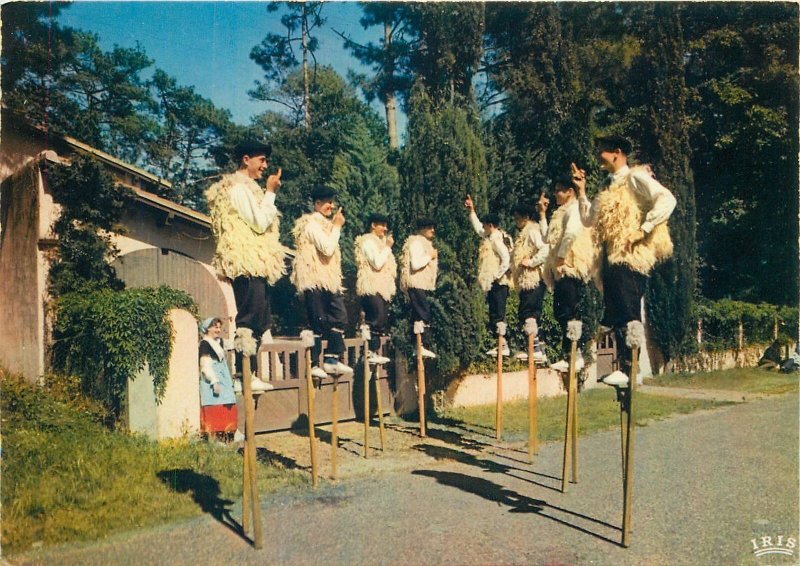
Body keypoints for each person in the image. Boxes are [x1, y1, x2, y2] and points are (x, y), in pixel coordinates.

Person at [573, 134, 676, 382]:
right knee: (616, 313)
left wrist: (644, 229)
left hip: (630, 257)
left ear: (617, 152)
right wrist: (581, 192)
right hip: (610, 260)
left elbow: (667, 199)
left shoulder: (635, 178)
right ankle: (623, 368)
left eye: (603, 150)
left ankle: (633, 369)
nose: (599, 154)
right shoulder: (607, 186)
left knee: (629, 312)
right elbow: (589, 220)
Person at [205, 140, 288, 392]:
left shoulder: (250, 189)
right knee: (249, 318)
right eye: (261, 160)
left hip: (256, 264)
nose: (265, 165)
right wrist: (271, 192)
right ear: (246, 159)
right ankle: (243, 375)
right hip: (246, 262)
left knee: (261, 319)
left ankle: (249, 372)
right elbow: (260, 222)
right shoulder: (238, 189)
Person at [291, 186, 353, 379]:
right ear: (317, 203)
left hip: (329, 280)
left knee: (339, 316)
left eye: (332, 202)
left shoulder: (327, 225)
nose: (331, 206)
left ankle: (332, 359)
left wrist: (334, 227)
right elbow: (327, 248)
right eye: (327, 202)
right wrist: (337, 227)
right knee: (317, 321)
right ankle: (312, 363)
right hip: (314, 278)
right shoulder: (310, 225)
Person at [543, 177, 596, 373]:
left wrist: (561, 256)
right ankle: (569, 353)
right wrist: (542, 215)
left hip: (570, 265)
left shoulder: (573, 209)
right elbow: (547, 238)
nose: (556, 193)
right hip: (560, 269)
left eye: (559, 190)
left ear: (570, 192)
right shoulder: (559, 213)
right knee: (561, 311)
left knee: (569, 311)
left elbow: (572, 232)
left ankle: (576, 354)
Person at [464, 195, 513, 356]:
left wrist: (497, 276)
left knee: (498, 313)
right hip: (495, 283)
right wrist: (472, 211)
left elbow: (506, 258)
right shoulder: (489, 236)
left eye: (485, 226)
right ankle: (501, 343)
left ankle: (503, 344)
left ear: (491, 226)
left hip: (500, 282)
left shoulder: (497, 239)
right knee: (494, 313)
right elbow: (478, 228)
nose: (483, 228)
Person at [199, 317, 252, 442]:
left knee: (228, 402)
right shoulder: (205, 344)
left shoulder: (219, 342)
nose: (218, 330)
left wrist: (241, 337)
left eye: (219, 327)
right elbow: (205, 365)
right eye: (215, 327)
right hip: (213, 378)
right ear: (207, 329)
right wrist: (214, 381)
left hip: (224, 377)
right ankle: (215, 438)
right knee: (215, 405)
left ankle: (232, 432)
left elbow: (231, 345)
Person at [510, 198, 550, 363]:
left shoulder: (532, 231)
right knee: (527, 311)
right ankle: (537, 348)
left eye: (518, 217)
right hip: (526, 280)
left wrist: (531, 262)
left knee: (529, 311)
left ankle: (535, 348)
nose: (515, 220)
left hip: (534, 278)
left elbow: (546, 248)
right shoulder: (522, 233)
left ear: (525, 217)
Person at [354, 213, 396, 365]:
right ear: (373, 225)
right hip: (371, 286)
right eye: (382, 225)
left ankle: (373, 351)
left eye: (386, 226)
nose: (385, 229)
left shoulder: (380, 243)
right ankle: (368, 352)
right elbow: (377, 263)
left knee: (381, 319)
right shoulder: (367, 242)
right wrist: (388, 248)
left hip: (382, 288)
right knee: (375, 318)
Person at [399, 218, 439, 359]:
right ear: (421, 229)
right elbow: (415, 264)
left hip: (420, 284)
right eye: (429, 227)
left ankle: (420, 346)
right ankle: (421, 345)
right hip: (415, 283)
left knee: (420, 315)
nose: (432, 230)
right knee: (423, 314)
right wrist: (430, 256)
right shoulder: (416, 242)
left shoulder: (424, 243)